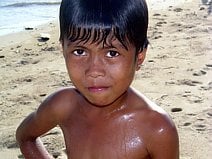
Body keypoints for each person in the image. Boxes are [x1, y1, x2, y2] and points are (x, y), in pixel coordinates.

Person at [16, 0, 179, 158]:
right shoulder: (62, 105)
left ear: (140, 56)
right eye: (80, 52)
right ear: (63, 49)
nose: (94, 71)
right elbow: (25, 138)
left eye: (112, 53)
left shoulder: (156, 129)